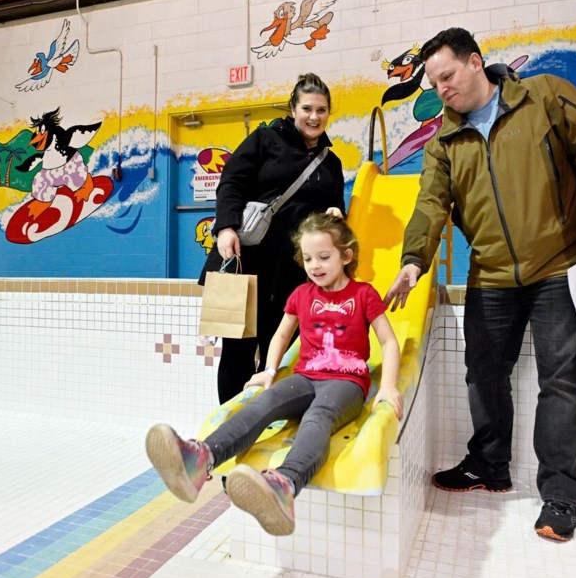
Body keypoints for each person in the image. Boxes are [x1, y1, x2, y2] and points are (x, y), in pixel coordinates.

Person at [384, 27, 576, 542]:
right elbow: (431, 204)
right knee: (483, 374)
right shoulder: (444, 142)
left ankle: (561, 494)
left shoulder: (543, 97)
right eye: (434, 82)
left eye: (447, 75)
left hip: (560, 266)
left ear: (476, 63)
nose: (442, 88)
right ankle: (489, 466)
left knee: (560, 381)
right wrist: (413, 261)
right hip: (491, 274)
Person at [150, 212, 402, 536]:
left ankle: (285, 484)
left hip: (346, 383)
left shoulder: (363, 294)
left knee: (318, 418)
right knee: (263, 404)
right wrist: (269, 370)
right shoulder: (302, 295)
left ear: (346, 256)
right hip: (306, 376)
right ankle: (200, 459)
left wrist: (389, 387)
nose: (315, 265)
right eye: (309, 258)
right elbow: (282, 335)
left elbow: (389, 341)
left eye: (324, 257)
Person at [200, 73, 346, 404]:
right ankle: (230, 425)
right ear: (293, 109)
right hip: (245, 262)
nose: (314, 117)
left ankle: (267, 423)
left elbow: (336, 207)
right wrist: (225, 227)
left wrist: (337, 213)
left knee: (276, 352)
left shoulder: (331, 163)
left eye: (322, 110)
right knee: (237, 351)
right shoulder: (265, 140)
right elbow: (231, 182)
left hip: (292, 272)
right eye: (307, 108)